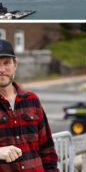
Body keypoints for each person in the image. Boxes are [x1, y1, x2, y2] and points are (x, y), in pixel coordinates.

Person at [0, 39, 59, 171]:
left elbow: (47, 150)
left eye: (6, 63)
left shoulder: (32, 100)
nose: (2, 69)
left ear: (15, 64)